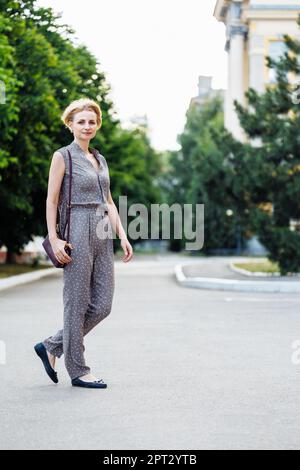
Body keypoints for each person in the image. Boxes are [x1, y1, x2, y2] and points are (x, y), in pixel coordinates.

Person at [34, 98, 133, 389]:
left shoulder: (100, 159)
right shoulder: (62, 156)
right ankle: (78, 369)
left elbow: (109, 200)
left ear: (97, 125)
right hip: (76, 226)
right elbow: (51, 200)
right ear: (70, 125)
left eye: (92, 121)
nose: (87, 126)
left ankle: (51, 345)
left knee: (102, 304)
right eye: (81, 122)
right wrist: (54, 239)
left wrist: (122, 234)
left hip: (102, 228)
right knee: (76, 302)